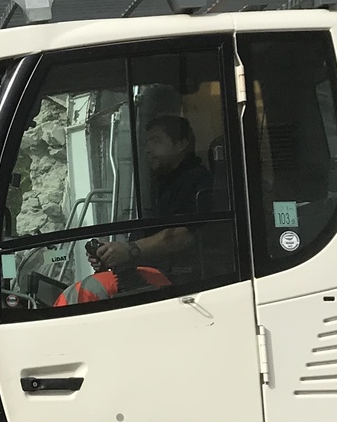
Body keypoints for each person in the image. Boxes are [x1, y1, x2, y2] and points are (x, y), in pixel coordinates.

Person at [53, 114, 217, 306]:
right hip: (155, 272)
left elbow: (183, 235)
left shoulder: (198, 181)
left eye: (156, 141)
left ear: (181, 144)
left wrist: (130, 250)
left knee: (83, 292)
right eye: (146, 142)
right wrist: (112, 254)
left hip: (181, 280)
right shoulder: (165, 182)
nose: (147, 149)